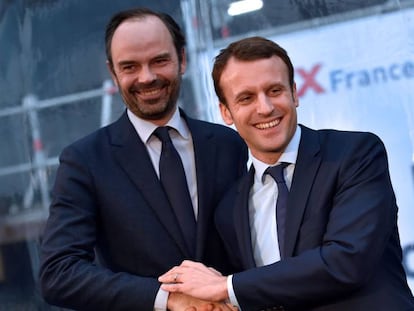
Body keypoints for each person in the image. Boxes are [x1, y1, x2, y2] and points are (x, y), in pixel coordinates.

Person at [158, 36, 414, 310]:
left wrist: (226, 287)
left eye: (275, 90)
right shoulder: (230, 210)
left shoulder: (354, 154)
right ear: (226, 112)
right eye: (246, 98)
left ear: (294, 92)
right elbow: (266, 293)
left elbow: (347, 260)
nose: (265, 107)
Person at [39, 7, 247, 311]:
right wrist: (169, 298)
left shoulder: (230, 145)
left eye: (159, 60)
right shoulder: (85, 161)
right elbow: (57, 273)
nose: (146, 77)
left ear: (182, 60)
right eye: (130, 67)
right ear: (113, 73)